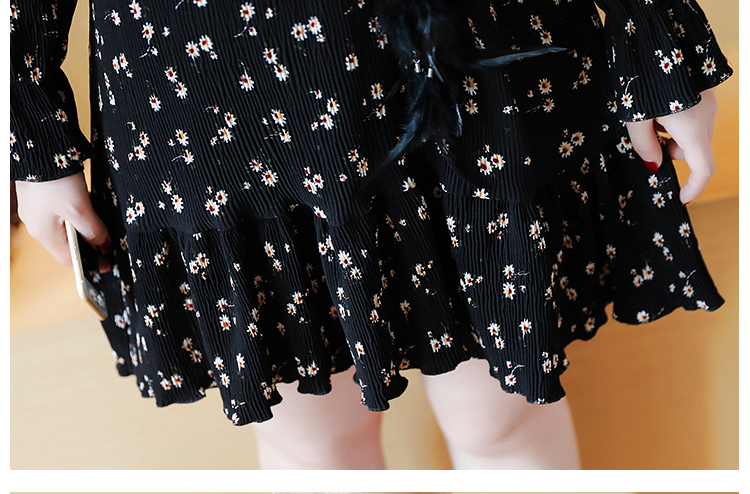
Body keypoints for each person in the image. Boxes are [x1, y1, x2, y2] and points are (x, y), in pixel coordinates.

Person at [11, 0, 732, 469]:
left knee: (504, 423)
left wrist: (656, 34)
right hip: (208, 91)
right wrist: (30, 122)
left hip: (467, 70)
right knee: (312, 449)